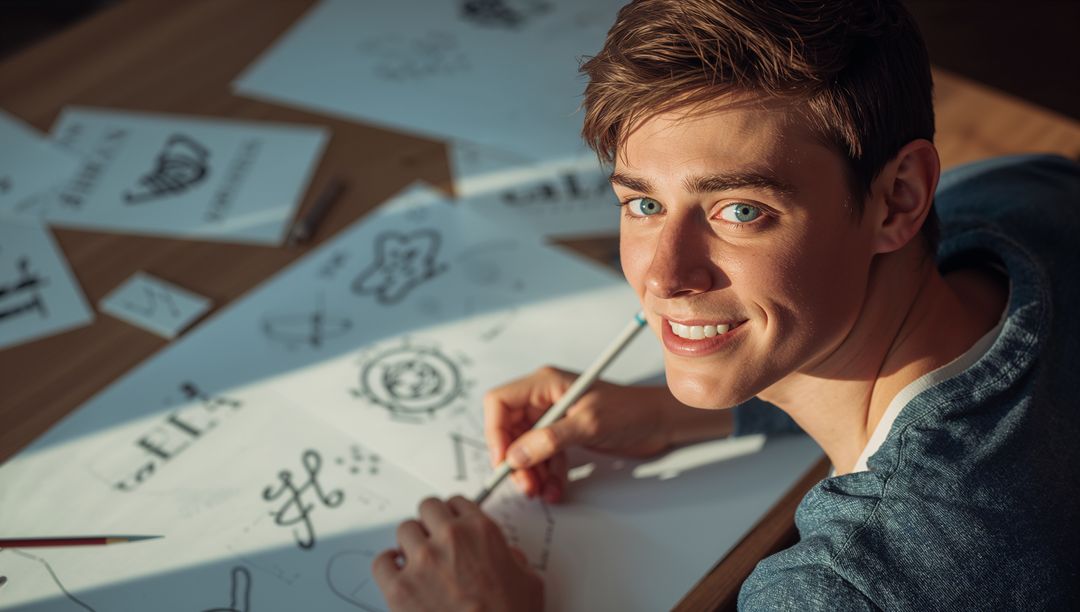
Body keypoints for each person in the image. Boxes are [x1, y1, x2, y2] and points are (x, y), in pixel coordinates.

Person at [370, 0, 1080, 609]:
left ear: (898, 197)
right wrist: (667, 412)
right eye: (644, 202)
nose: (663, 275)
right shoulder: (1020, 193)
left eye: (741, 209)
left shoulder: (847, 586)